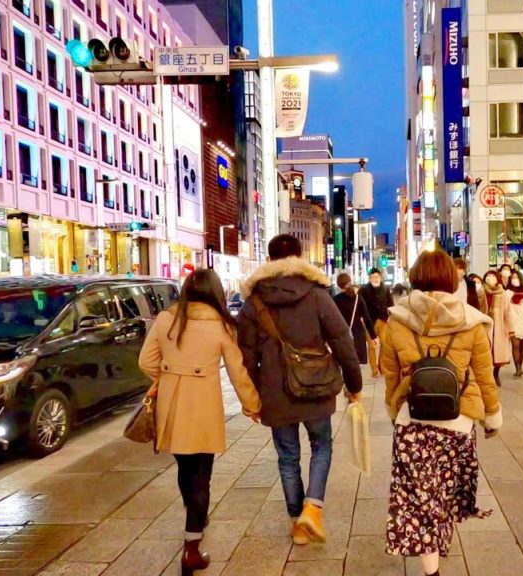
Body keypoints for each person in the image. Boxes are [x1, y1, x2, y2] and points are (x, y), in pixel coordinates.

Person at [237, 234, 364, 546]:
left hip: (274, 393)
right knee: (322, 446)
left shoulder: (254, 301)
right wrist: (354, 385)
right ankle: (313, 507)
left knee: (287, 456)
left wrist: (253, 398)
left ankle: (297, 524)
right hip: (315, 386)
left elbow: (246, 357)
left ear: (269, 260)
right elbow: (342, 340)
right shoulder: (317, 294)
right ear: (300, 257)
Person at [382, 249, 502, 576]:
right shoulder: (471, 321)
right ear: (452, 279)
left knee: (419, 499)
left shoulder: (397, 320)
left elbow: (390, 374)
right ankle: (439, 540)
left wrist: (394, 409)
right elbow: (485, 375)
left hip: (413, 421)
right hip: (458, 421)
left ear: (415, 278)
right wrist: (492, 414)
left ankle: (430, 566)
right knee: (445, 494)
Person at [138, 269, 261, 575]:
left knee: (185, 468)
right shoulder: (221, 325)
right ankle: (191, 547)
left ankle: (195, 517)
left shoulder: (166, 319)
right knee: (202, 476)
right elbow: (237, 371)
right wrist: (252, 405)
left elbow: (146, 361)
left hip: (172, 407)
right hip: (203, 408)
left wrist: (169, 377)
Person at [333, 273, 378, 365]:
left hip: (341, 335)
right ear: (350, 282)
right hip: (357, 335)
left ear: (338, 285)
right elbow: (367, 318)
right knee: (356, 364)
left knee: (344, 363)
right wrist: (373, 336)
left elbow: (331, 320)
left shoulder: (335, 300)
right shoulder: (358, 298)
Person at [482, 269, 514, 386]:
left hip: (498, 326)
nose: (490, 277)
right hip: (484, 325)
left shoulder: (502, 294)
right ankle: (487, 375)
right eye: (488, 275)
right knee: (484, 352)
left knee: (497, 354)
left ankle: (495, 373)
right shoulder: (481, 292)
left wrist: (511, 328)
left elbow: (508, 312)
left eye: (493, 276)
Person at [359, 267, 392, 377]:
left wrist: (391, 317)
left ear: (380, 277)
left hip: (383, 320)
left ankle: (382, 366)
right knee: (372, 346)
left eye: (377, 277)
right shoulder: (363, 289)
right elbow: (360, 304)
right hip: (369, 322)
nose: (375, 279)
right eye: (372, 277)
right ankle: (374, 369)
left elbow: (391, 304)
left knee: (385, 344)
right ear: (369, 278)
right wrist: (361, 317)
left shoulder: (386, 288)